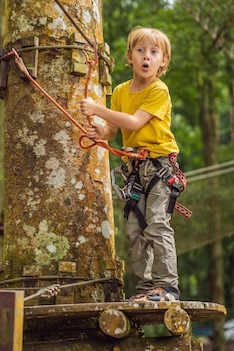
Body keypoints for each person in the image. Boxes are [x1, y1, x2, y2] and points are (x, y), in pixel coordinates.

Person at [79, 26, 182, 302]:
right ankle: (147, 289)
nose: (146, 57)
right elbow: (115, 128)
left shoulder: (159, 90)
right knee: (135, 230)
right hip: (135, 170)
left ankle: (167, 287)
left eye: (153, 52)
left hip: (160, 167)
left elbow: (135, 122)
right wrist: (100, 131)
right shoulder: (122, 91)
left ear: (163, 62)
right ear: (130, 56)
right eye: (140, 50)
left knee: (157, 224)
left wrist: (97, 109)